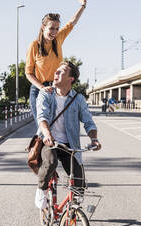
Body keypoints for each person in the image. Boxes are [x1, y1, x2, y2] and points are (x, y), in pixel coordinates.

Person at [34, 61, 102, 209]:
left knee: (78, 180)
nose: (56, 73)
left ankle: (72, 217)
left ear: (71, 79)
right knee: (51, 162)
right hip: (49, 142)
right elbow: (42, 118)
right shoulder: (46, 94)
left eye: (61, 71)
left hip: (69, 145)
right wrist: (47, 134)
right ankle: (41, 189)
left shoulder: (78, 99)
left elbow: (88, 121)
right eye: (56, 70)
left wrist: (94, 139)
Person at [25, 0, 87, 128]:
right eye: (51, 28)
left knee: (56, 127)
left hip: (55, 88)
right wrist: (42, 87)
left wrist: (83, 5)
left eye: (57, 28)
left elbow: (72, 22)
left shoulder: (58, 39)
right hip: (38, 90)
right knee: (43, 128)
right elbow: (28, 73)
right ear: (43, 27)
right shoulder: (34, 46)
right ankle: (36, 148)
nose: (54, 32)